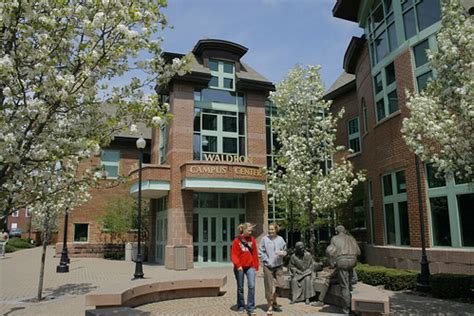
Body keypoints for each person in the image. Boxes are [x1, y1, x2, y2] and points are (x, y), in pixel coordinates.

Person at [326, 225, 360, 313]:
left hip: (342, 261)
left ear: (337, 232)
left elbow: (330, 250)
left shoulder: (334, 239)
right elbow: (358, 252)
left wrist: (332, 263)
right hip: (353, 261)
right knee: (349, 282)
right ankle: (353, 302)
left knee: (344, 285)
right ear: (344, 231)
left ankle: (346, 308)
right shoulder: (351, 238)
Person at [259, 223, 287, 315]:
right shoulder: (264, 239)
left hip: (278, 265)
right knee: (269, 287)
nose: (270, 231)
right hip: (268, 266)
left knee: (281, 285)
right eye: (269, 229)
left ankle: (274, 298)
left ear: (276, 230)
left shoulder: (281, 239)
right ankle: (270, 305)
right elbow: (260, 252)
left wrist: (283, 253)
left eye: (272, 229)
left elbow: (285, 250)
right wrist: (266, 260)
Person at [231, 223, 259, 315]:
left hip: (250, 266)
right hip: (240, 267)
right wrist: (238, 265)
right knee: (240, 287)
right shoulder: (237, 240)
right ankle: (241, 306)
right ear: (244, 230)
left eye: (251, 231)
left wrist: (256, 266)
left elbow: (255, 253)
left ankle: (250, 307)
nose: (251, 232)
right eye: (249, 230)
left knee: (252, 286)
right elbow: (233, 254)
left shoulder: (252, 240)